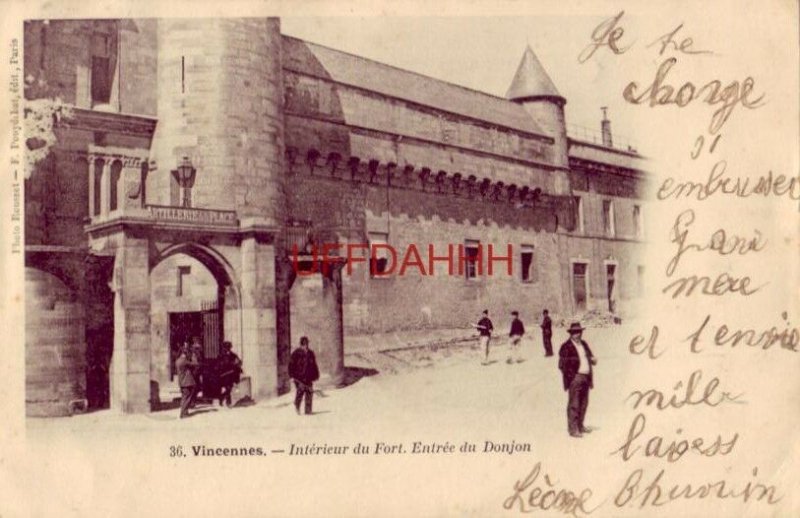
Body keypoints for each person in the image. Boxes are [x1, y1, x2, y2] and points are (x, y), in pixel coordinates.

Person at [558, 322, 597, 438]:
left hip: (586, 377)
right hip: (575, 378)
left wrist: (593, 360)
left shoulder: (584, 344)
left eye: (579, 332)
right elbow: (562, 365)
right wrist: (572, 377)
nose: (578, 334)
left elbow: (590, 356)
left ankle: (580, 426)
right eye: (575, 332)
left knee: (584, 403)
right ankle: (573, 430)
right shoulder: (566, 346)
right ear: (570, 333)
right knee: (574, 404)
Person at [288, 336, 320, 415]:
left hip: (308, 376)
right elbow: (291, 365)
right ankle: (297, 405)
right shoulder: (296, 353)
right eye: (304, 344)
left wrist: (316, 375)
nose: (306, 346)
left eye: (307, 344)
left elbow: (314, 365)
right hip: (299, 377)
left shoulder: (311, 353)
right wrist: (291, 376)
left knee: (309, 392)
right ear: (301, 344)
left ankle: (308, 411)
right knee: (300, 391)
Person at [176, 342, 199, 419]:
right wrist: (193, 356)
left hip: (182, 382)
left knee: (184, 397)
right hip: (187, 382)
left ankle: (184, 412)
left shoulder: (178, 361)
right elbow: (195, 364)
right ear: (184, 353)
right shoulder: (184, 361)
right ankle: (183, 413)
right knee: (187, 398)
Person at [217, 341, 243, 408]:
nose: (228, 349)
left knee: (229, 388)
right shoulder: (221, 355)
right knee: (228, 388)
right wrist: (231, 364)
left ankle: (222, 397)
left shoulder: (233, 355)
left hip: (231, 374)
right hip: (224, 374)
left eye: (229, 347)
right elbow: (220, 364)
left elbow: (239, 361)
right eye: (226, 347)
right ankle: (228, 402)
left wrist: (238, 363)